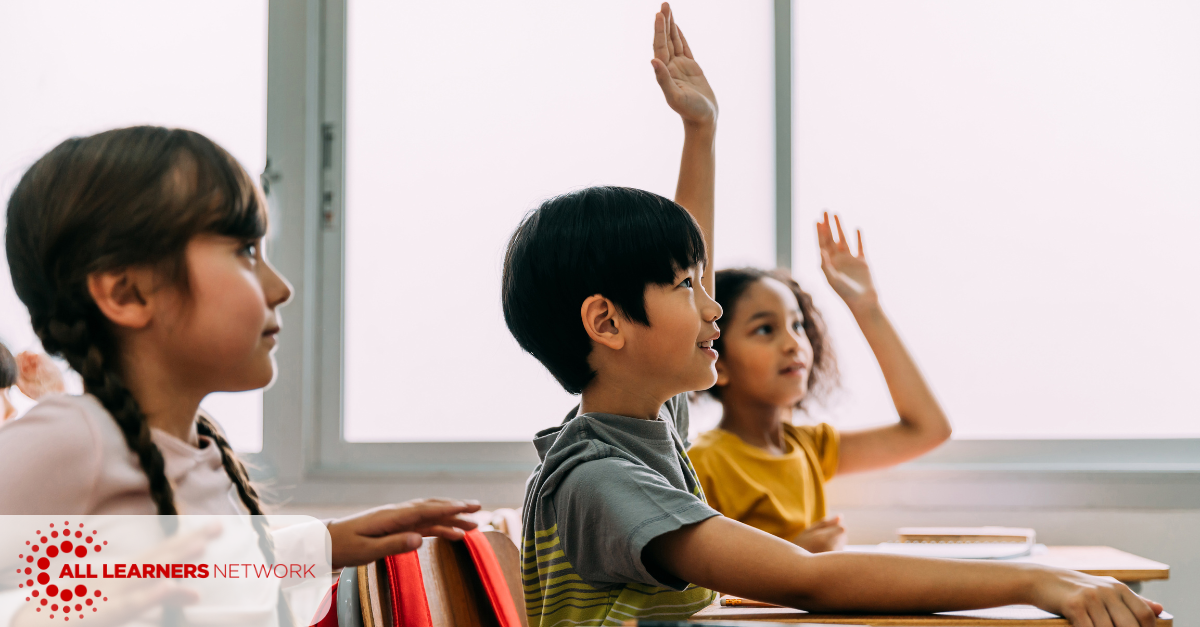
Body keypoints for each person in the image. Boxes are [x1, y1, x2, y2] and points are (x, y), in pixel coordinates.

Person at [502, 4, 1161, 626]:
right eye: (685, 286)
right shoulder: (601, 479)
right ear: (607, 324)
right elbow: (805, 576)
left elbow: (683, 255)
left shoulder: (639, 425)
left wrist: (700, 130)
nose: (711, 305)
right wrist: (1035, 583)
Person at [1, 125, 480, 625]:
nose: (281, 288)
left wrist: (329, 541)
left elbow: (211, 571)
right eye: (246, 252)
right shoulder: (74, 440)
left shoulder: (200, 443)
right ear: (128, 294)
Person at [688, 212, 952, 552]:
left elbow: (929, 430)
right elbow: (704, 587)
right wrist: (796, 556)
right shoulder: (705, 464)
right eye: (765, 329)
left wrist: (866, 307)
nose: (793, 343)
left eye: (797, 326)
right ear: (718, 363)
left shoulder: (809, 446)